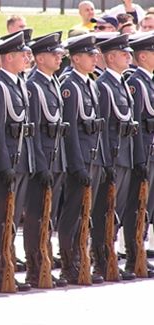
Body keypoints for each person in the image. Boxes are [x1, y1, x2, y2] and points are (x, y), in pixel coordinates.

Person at [0, 31, 33, 293]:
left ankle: (8, 268)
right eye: (22, 54)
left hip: (21, 160)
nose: (27, 58)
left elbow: (26, 127)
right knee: (0, 218)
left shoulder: (18, 83)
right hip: (5, 165)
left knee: (12, 219)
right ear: (10, 56)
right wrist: (3, 166)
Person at [58, 34, 105, 285]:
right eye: (90, 55)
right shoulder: (70, 85)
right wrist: (76, 165)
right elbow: (71, 129)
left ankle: (80, 257)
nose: (95, 58)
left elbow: (97, 126)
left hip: (93, 157)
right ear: (76, 58)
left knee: (84, 214)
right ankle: (69, 263)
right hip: (80, 161)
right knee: (73, 213)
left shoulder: (89, 82)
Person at [92, 34, 138, 281]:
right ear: (110, 57)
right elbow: (104, 127)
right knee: (105, 211)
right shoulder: (104, 85)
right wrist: (107, 161)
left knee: (116, 211)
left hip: (125, 155)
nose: (129, 57)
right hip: (112, 156)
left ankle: (109, 258)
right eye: (124, 53)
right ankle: (101, 261)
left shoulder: (120, 82)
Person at [25, 32, 69, 288]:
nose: (59, 57)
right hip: (43, 162)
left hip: (56, 159)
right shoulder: (33, 86)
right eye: (54, 54)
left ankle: (44, 264)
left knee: (48, 217)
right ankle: (35, 268)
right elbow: (35, 130)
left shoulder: (52, 82)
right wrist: (42, 165)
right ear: (40, 58)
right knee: (36, 217)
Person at [123, 33, 154, 278]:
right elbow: (136, 126)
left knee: (147, 208)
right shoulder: (136, 83)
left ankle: (140, 253)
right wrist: (140, 158)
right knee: (137, 207)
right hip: (144, 155)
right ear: (142, 56)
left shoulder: (149, 81)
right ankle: (133, 256)